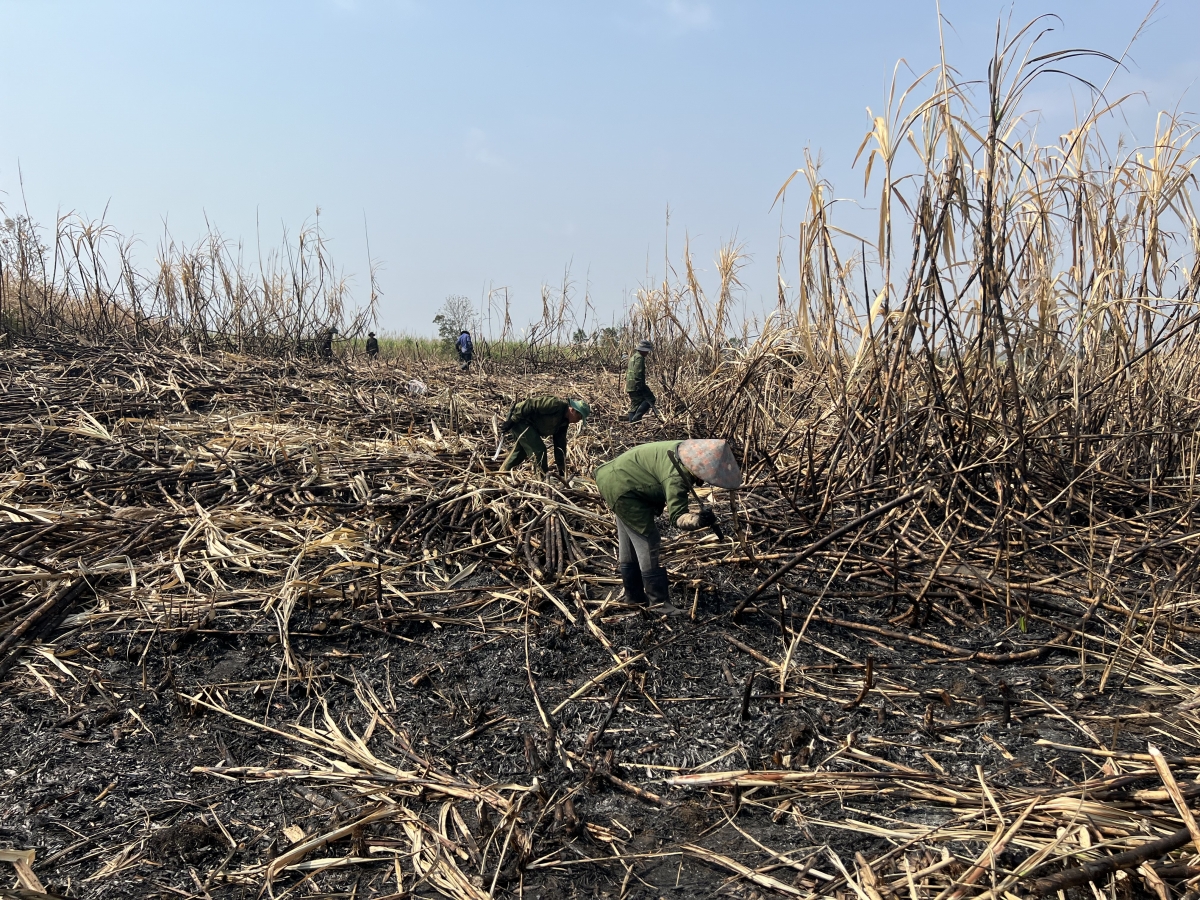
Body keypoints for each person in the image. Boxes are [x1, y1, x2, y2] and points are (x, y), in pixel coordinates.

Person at [595, 439, 741, 612]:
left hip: (614, 478)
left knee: (629, 540)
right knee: (648, 540)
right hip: (623, 488)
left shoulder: (683, 451)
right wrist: (699, 520)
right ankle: (659, 604)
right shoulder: (677, 475)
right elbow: (677, 517)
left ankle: (633, 598)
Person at [500, 396, 591, 478]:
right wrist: (512, 420)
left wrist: (561, 468)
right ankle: (541, 478)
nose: (577, 421)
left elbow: (560, 444)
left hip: (529, 426)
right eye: (579, 418)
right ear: (573, 410)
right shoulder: (556, 404)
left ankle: (502, 473)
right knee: (539, 450)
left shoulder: (564, 422)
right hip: (520, 419)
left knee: (521, 451)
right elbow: (530, 404)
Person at [626, 339, 656, 422]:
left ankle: (632, 424)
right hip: (637, 385)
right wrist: (640, 387)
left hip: (630, 385)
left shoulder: (633, 357)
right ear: (643, 350)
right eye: (646, 351)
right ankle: (636, 419)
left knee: (635, 404)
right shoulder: (640, 358)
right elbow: (637, 373)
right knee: (650, 399)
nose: (647, 353)